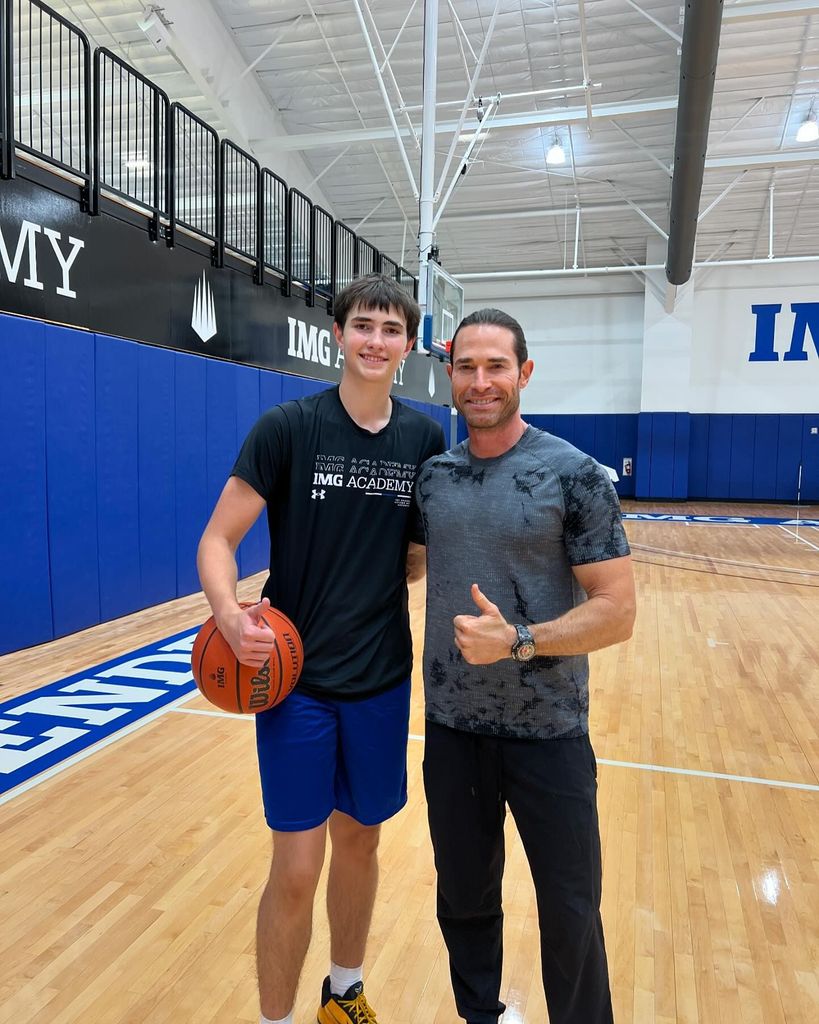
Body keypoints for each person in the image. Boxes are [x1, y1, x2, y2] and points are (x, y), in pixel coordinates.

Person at [197, 273, 446, 1024]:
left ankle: (343, 991)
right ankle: (275, 1019)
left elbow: (415, 553)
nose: (376, 340)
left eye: (391, 329)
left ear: (408, 345)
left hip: (379, 679)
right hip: (294, 682)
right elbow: (217, 539)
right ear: (337, 334)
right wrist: (227, 614)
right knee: (297, 867)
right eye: (363, 325)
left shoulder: (423, 438)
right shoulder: (287, 428)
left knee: (361, 848)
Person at [415, 308, 636, 1024]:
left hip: (549, 734)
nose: (480, 382)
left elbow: (617, 609)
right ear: (449, 376)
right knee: (464, 901)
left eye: (495, 366)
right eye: (466, 367)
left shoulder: (572, 475)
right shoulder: (434, 478)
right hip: (451, 732)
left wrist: (519, 640)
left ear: (524, 373)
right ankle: (481, 1015)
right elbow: (405, 568)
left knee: (571, 914)